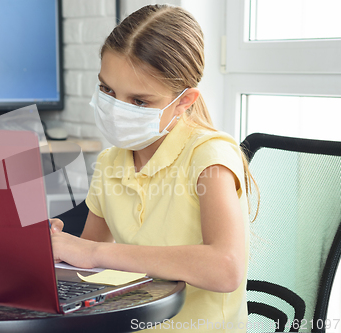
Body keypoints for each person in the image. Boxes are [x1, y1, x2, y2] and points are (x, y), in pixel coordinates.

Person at [51, 4, 255, 332]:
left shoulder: (210, 157)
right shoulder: (111, 162)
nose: (117, 109)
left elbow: (225, 268)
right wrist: (55, 250)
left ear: (184, 101)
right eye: (107, 90)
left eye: (140, 101)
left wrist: (94, 253)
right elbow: (85, 264)